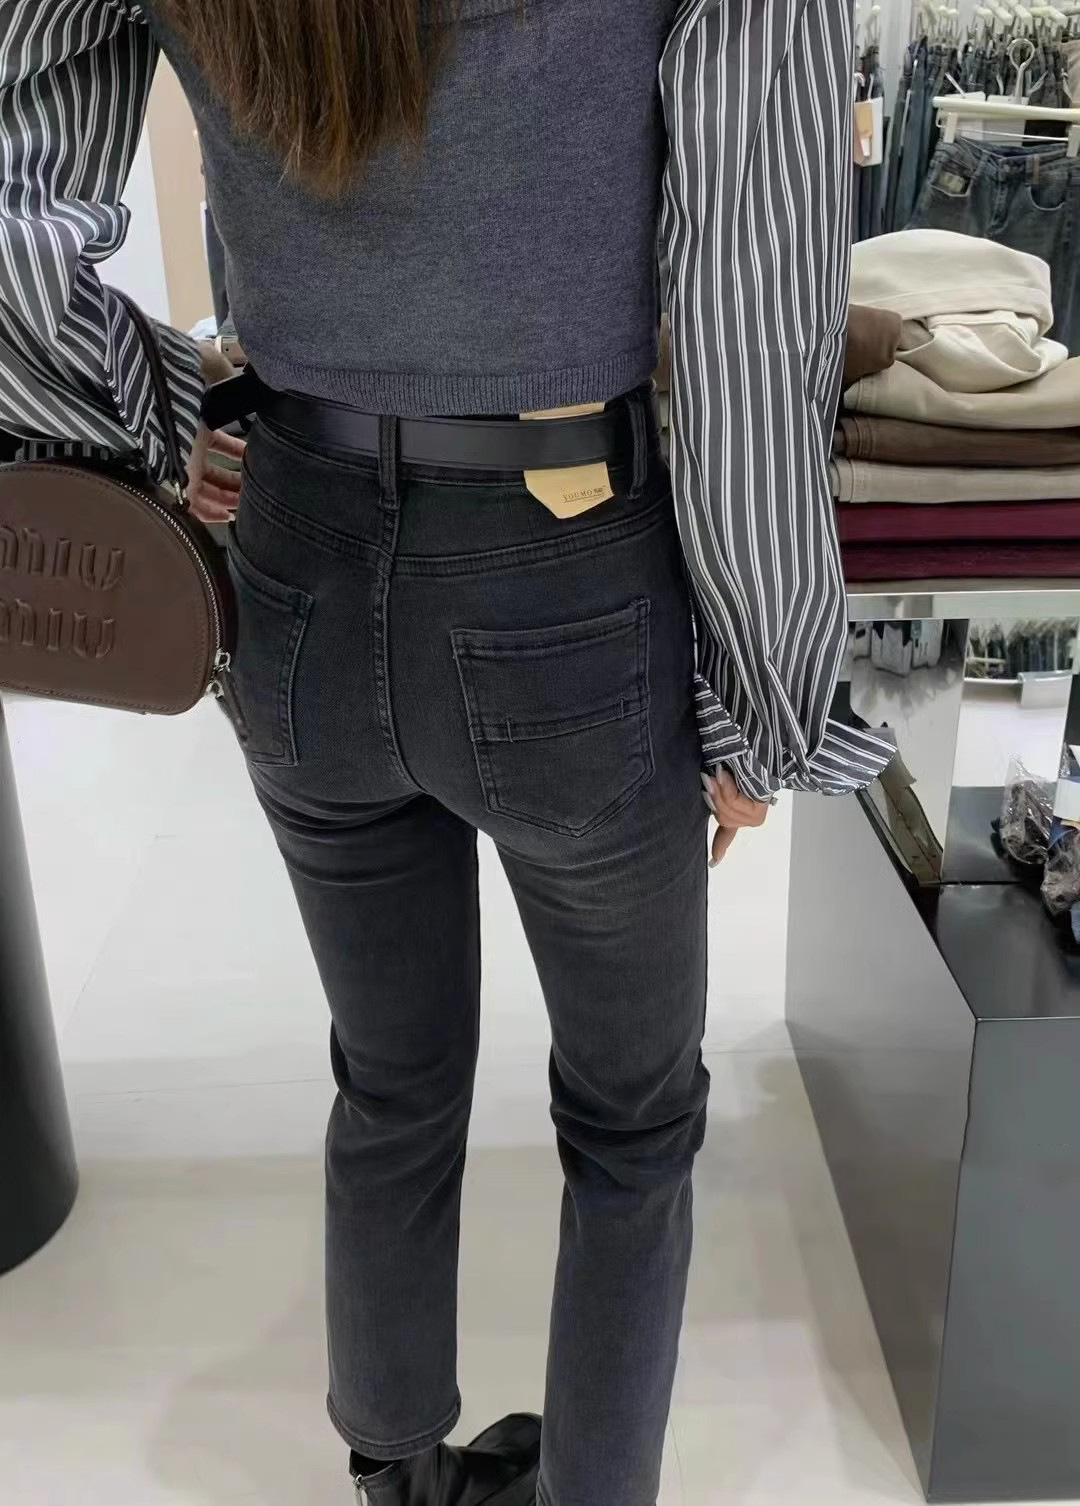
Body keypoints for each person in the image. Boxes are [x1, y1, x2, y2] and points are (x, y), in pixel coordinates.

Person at [0, 2, 894, 1502]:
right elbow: (752, 327)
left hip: (294, 557)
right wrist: (765, 696)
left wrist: (160, 406)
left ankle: (400, 1476)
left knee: (392, 1076)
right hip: (569, 579)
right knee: (633, 1121)